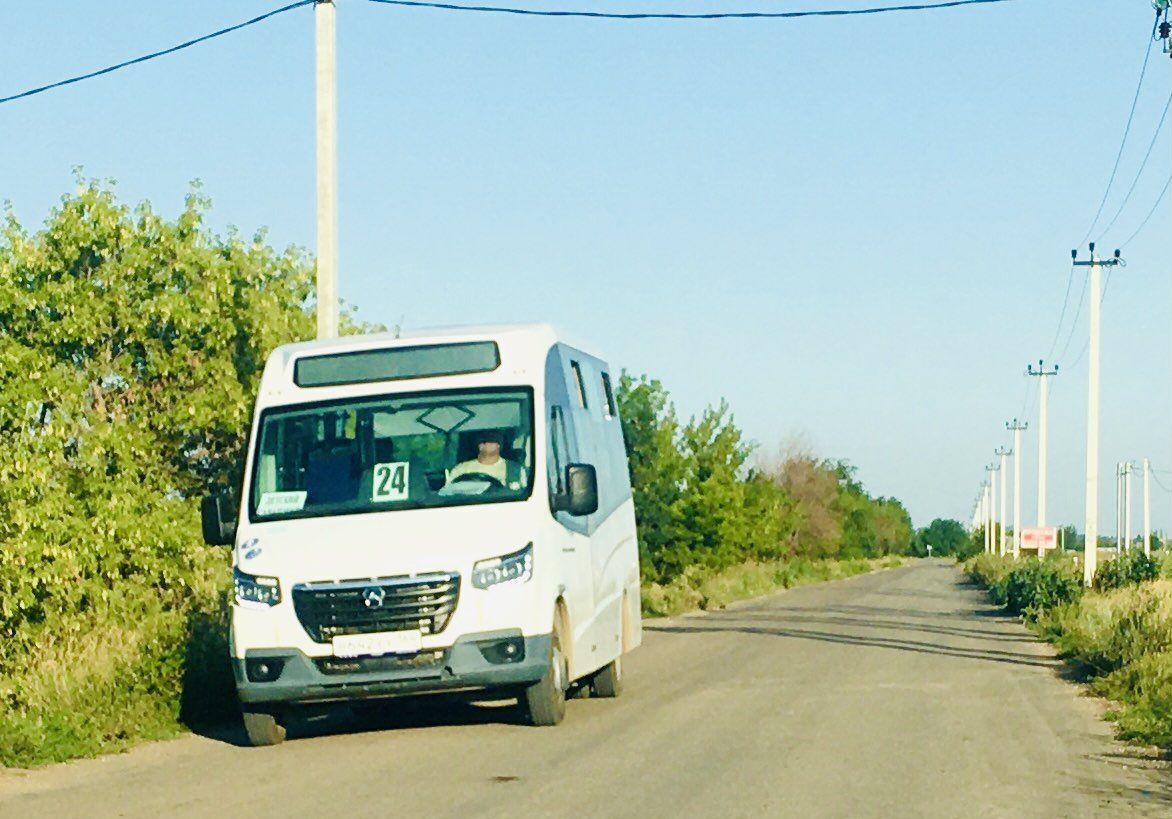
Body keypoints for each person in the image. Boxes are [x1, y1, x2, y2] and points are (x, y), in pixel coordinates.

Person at [447, 429, 526, 489]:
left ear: (499, 445)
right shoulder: (461, 469)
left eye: (490, 440)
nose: (483, 444)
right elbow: (449, 494)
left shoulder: (515, 470)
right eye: (481, 442)